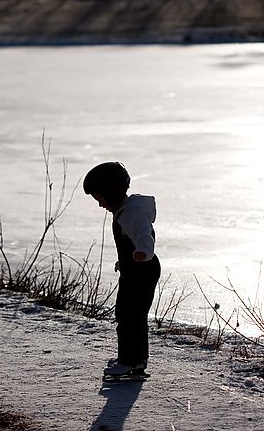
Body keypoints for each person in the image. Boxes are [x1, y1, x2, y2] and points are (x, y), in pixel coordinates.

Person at [83, 161, 161, 377]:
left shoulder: (131, 214)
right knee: (131, 315)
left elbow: (144, 236)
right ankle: (135, 359)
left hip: (142, 270)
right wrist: (125, 260)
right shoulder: (127, 211)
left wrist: (142, 252)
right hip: (137, 268)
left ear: (112, 192)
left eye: (100, 199)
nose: (100, 205)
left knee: (130, 316)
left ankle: (130, 362)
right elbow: (130, 241)